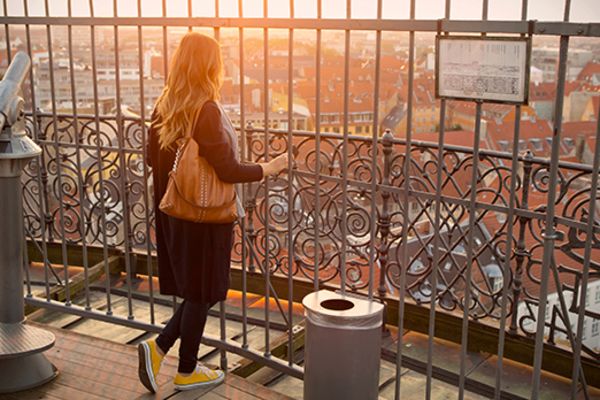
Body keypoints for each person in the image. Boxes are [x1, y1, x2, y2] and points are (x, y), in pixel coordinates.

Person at [138, 32, 288, 393]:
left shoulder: (164, 106)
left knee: (196, 291)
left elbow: (150, 159)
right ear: (211, 67)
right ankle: (184, 368)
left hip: (173, 212)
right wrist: (270, 167)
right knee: (202, 291)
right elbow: (227, 170)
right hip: (205, 217)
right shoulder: (206, 110)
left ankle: (159, 351)